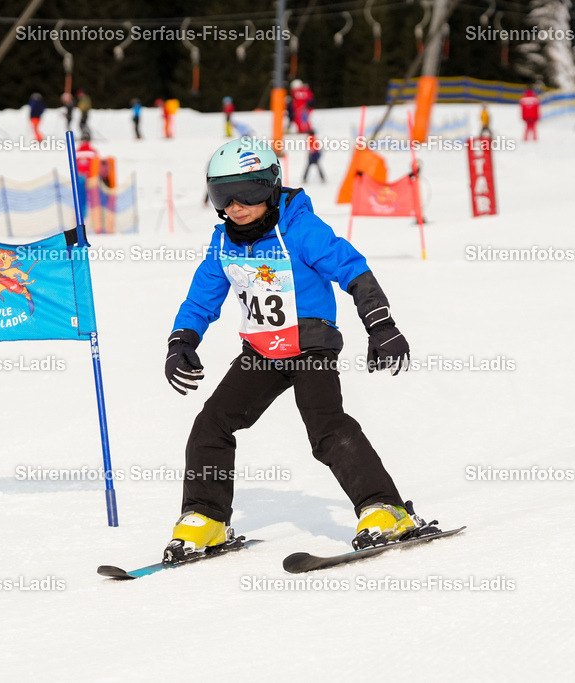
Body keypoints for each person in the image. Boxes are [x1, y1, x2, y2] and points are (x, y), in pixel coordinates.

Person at [163, 138, 425, 563]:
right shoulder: (222, 243)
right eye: (222, 195)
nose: (235, 205)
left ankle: (385, 508)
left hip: (310, 346)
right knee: (211, 425)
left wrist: (381, 325)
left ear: (269, 187)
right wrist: (182, 342)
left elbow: (353, 269)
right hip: (262, 351)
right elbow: (200, 300)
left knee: (326, 429)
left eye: (246, 192)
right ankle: (205, 518)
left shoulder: (302, 229)